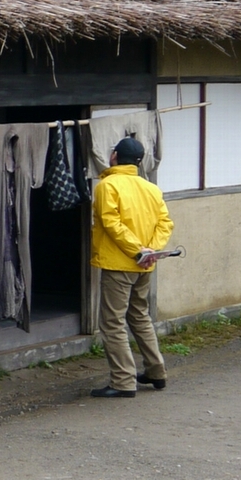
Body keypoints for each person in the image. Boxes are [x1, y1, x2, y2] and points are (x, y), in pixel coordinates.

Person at [90, 134, 174, 397]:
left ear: (114, 156)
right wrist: (150, 250)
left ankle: (123, 381)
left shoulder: (108, 186)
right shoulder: (150, 188)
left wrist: (137, 250)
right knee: (139, 316)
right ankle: (156, 371)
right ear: (139, 162)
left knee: (112, 322)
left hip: (119, 264)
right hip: (145, 264)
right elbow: (165, 223)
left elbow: (111, 223)